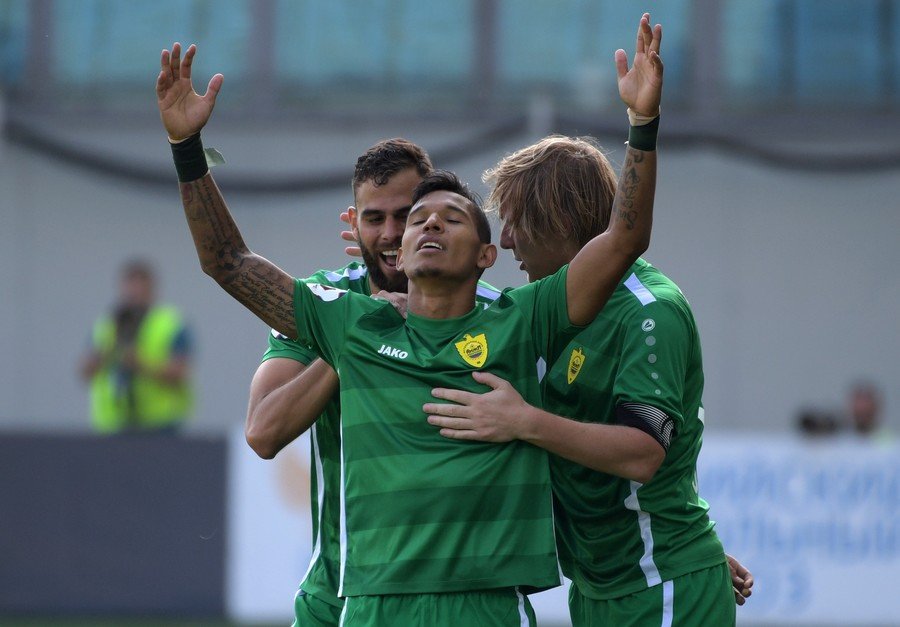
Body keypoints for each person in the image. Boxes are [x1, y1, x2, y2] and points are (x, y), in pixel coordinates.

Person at [156, 12, 658, 624]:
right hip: (365, 602)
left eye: (449, 216)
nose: (422, 225)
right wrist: (187, 151)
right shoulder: (348, 322)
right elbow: (228, 262)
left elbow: (623, 237)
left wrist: (642, 125)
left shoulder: (521, 319)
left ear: (486, 255)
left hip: (487, 605)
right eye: (414, 219)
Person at [424, 52, 741, 627]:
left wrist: (524, 420)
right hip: (597, 589)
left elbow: (643, 455)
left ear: (561, 219)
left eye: (518, 219)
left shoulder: (650, 312)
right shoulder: (539, 313)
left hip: (662, 586)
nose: (511, 241)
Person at [244, 138, 501, 626]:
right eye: (374, 218)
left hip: (455, 600)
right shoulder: (324, 304)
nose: (389, 234)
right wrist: (355, 343)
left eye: (405, 216)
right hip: (336, 595)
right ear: (352, 222)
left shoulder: (488, 312)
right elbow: (263, 432)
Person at [79, 259, 193, 434]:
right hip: (112, 425)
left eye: (141, 287)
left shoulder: (170, 323)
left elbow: (180, 372)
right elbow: (85, 371)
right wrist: (108, 353)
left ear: (152, 289)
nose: (135, 293)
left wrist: (140, 364)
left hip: (160, 425)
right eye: (131, 286)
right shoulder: (107, 324)